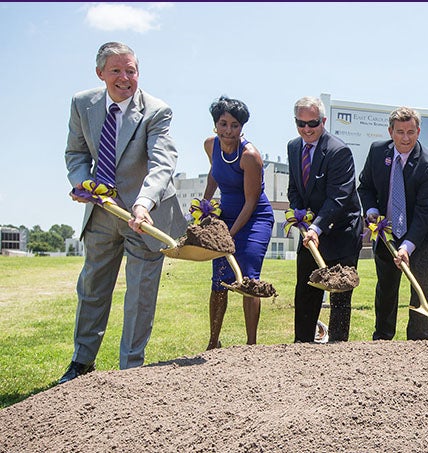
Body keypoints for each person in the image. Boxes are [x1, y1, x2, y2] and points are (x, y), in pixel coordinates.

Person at [61, 42, 187, 383]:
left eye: (130, 70)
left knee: (140, 295)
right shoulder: (82, 103)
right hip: (101, 212)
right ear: (100, 73)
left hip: (144, 215)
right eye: (116, 70)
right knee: (92, 288)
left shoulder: (157, 111)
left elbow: (162, 164)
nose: (124, 77)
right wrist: (83, 184)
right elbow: (75, 154)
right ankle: (81, 362)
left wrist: (143, 203)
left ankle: (130, 371)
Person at [358, 106, 428, 341]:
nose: (405, 138)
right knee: (386, 288)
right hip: (386, 232)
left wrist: (407, 246)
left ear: (418, 131)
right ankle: (383, 338)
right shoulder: (377, 152)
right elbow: (365, 186)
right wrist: (372, 210)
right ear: (390, 131)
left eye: (410, 132)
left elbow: (427, 212)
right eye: (400, 132)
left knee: (419, 289)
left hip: (421, 237)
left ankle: (417, 343)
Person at [287, 96, 363, 344]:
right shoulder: (294, 147)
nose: (307, 129)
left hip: (341, 230)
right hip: (311, 230)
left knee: (340, 294)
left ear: (324, 120)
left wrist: (317, 226)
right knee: (306, 289)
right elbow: (295, 189)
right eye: (301, 123)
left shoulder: (338, 151)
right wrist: (300, 216)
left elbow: (339, 197)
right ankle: (302, 346)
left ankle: (338, 349)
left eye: (313, 123)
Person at [202, 96, 275, 349]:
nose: (228, 130)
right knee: (219, 279)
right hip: (227, 216)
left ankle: (251, 345)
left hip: (254, 219)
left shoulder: (250, 156)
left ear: (242, 127)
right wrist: (205, 204)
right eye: (223, 124)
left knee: (248, 279)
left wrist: (227, 236)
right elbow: (214, 175)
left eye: (234, 125)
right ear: (215, 124)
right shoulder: (210, 145)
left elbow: (251, 201)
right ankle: (213, 342)